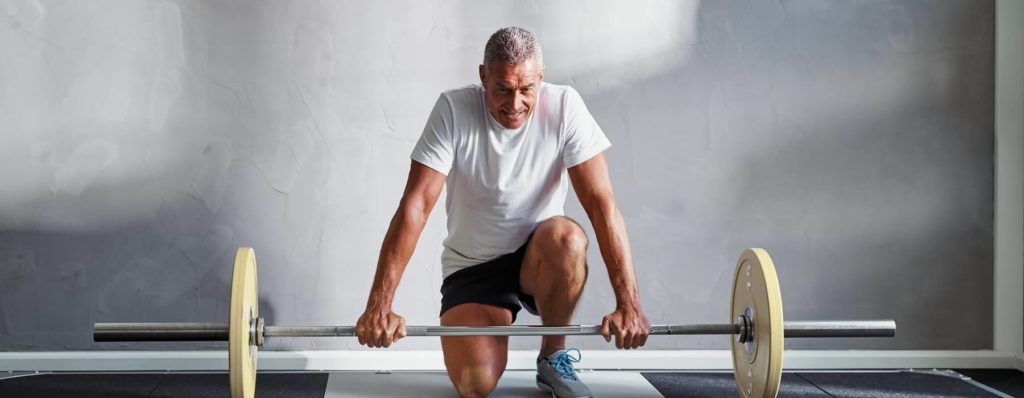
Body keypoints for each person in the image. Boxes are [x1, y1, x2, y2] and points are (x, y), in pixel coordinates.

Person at [355, 27, 649, 398]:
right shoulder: (453, 110)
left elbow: (602, 205)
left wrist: (629, 306)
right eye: (502, 89)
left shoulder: (565, 106)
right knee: (475, 385)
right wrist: (380, 305)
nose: (515, 103)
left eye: (526, 89)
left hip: (540, 257)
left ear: (541, 78)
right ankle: (490, 333)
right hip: (473, 268)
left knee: (569, 239)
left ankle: (553, 355)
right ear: (483, 77)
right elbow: (415, 206)